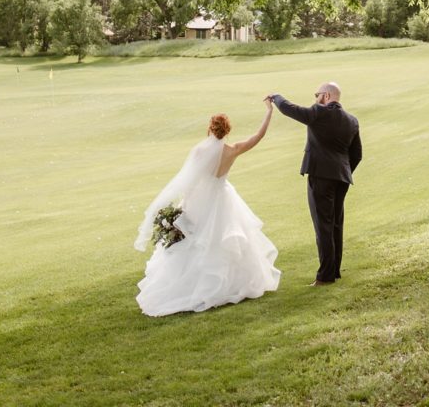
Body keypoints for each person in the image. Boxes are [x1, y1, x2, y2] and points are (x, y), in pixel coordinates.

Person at [134, 104, 281, 316]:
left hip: (199, 201)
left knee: (195, 243)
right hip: (223, 199)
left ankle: (192, 285)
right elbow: (258, 136)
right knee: (224, 242)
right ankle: (227, 285)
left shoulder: (199, 151)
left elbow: (189, 182)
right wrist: (269, 112)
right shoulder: (232, 150)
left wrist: (183, 206)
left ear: (210, 129)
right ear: (227, 130)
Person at [267, 82, 362, 286]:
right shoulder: (352, 120)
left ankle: (325, 276)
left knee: (323, 226)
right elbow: (357, 155)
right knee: (336, 224)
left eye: (317, 94)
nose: (315, 98)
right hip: (342, 178)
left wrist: (276, 96)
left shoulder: (319, 112)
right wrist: (343, 171)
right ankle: (334, 270)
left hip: (321, 176)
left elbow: (290, 109)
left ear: (326, 96)